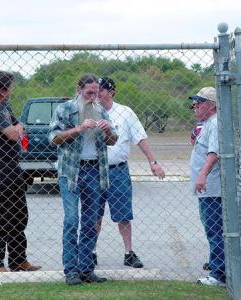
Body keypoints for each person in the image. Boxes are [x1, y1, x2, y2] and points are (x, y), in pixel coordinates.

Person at [48, 74, 118, 285]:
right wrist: (78, 128)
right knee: (72, 220)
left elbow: (113, 140)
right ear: (79, 89)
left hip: (95, 171)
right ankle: (71, 270)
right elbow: (53, 138)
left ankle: (86, 269)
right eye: (89, 92)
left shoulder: (101, 111)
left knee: (90, 222)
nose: (93, 97)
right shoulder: (65, 109)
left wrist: (107, 131)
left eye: (96, 93)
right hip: (71, 172)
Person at [94, 77, 165, 268]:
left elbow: (140, 138)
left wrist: (153, 162)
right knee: (93, 214)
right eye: (95, 89)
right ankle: (90, 252)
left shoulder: (125, 113)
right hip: (94, 170)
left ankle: (128, 252)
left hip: (118, 170)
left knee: (123, 214)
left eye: (101, 89)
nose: (97, 93)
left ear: (111, 92)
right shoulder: (89, 112)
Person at [0, 71, 41, 272]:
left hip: (12, 165)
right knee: (2, 214)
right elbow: (14, 134)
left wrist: (17, 128)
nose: (11, 90)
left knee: (19, 213)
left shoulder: (3, 105)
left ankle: (18, 260)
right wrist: (16, 129)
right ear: (2, 89)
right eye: (10, 87)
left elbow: (19, 125)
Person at [188, 87, 226, 286]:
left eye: (200, 102)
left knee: (215, 229)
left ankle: (219, 274)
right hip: (207, 189)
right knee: (212, 228)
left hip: (212, 187)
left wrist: (202, 175)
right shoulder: (208, 124)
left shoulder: (216, 123)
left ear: (211, 105)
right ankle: (217, 266)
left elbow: (213, 154)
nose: (196, 105)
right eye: (195, 102)